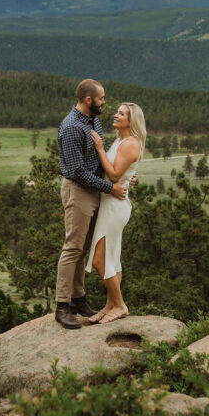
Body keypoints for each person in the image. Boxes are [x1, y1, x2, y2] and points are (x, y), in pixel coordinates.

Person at [54, 79, 128, 329]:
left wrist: (122, 177)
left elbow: (100, 156)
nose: (104, 103)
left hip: (95, 190)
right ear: (89, 100)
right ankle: (62, 306)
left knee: (83, 249)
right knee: (73, 248)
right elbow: (76, 170)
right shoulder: (73, 127)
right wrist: (110, 187)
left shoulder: (93, 121)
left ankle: (78, 298)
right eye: (102, 98)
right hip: (79, 191)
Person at [85, 102, 144, 324]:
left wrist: (100, 148)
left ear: (132, 120)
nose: (115, 115)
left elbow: (114, 176)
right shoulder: (120, 141)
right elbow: (124, 172)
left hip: (115, 208)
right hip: (110, 205)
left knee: (101, 261)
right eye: (117, 112)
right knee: (112, 259)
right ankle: (110, 305)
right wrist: (129, 178)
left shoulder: (130, 144)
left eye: (121, 113)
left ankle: (119, 305)